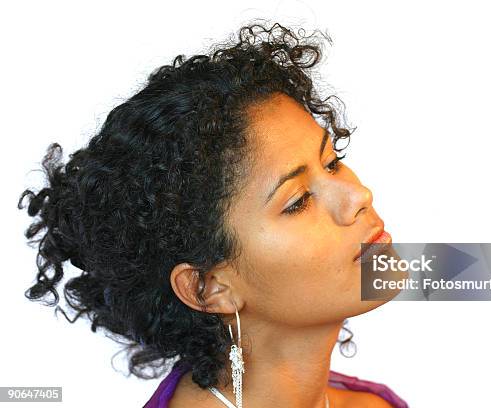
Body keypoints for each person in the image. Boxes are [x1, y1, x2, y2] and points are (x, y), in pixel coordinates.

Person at [18, 21, 408, 407]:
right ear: (210, 287)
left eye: (332, 163)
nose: (359, 195)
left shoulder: (375, 402)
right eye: (299, 200)